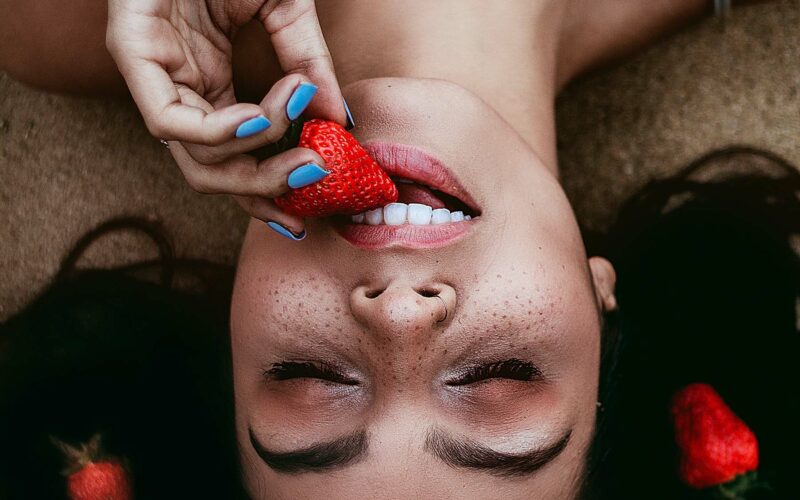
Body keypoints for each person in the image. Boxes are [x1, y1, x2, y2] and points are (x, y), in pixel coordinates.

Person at [0, 0, 772, 498]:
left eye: (307, 377)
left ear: (237, 326)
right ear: (603, 303)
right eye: (498, 376)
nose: (399, 312)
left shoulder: (52, 23)